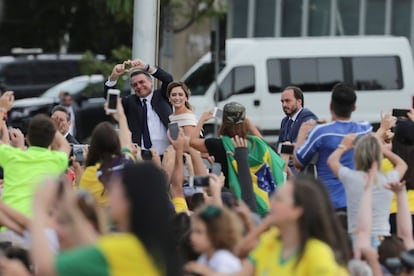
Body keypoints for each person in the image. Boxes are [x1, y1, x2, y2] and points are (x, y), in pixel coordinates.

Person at [31, 162, 181, 276]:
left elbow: (47, 268)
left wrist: (39, 207)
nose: (109, 192)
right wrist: (71, 207)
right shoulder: (156, 248)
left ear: (129, 199)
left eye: (116, 187)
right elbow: (91, 243)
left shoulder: (122, 248)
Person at [185, 176, 351, 276]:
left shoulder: (317, 253)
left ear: (297, 210)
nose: (271, 202)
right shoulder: (270, 241)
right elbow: (240, 262)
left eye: (278, 199)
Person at [190, 102, 285, 216]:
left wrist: (202, 119)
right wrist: (251, 127)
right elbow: (268, 149)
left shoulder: (218, 144)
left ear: (224, 123)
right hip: (263, 200)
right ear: (245, 122)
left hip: (233, 201)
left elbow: (192, 141)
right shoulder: (257, 144)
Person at [294, 83, 372, 211]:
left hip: (328, 202)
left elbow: (298, 162)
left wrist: (302, 132)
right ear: (354, 107)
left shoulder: (320, 132)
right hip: (357, 201)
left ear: (331, 106)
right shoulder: (364, 129)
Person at [327, 134, 407, 248]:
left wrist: (343, 146)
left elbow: (332, 161)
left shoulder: (350, 177)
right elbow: (402, 164)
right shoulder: (388, 179)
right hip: (382, 238)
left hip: (357, 237)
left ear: (357, 155)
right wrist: (382, 149)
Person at [104, 59, 173, 155]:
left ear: (151, 83)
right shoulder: (130, 102)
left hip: (167, 154)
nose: (139, 86)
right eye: (135, 85)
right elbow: (111, 99)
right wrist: (114, 76)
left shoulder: (162, 96)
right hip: (141, 156)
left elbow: (168, 79)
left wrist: (146, 67)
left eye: (142, 82)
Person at [189, 204, 242, 274]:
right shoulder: (204, 258)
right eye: (192, 231)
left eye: (199, 232)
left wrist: (204, 271)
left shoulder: (223, 259)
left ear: (216, 234)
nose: (192, 237)